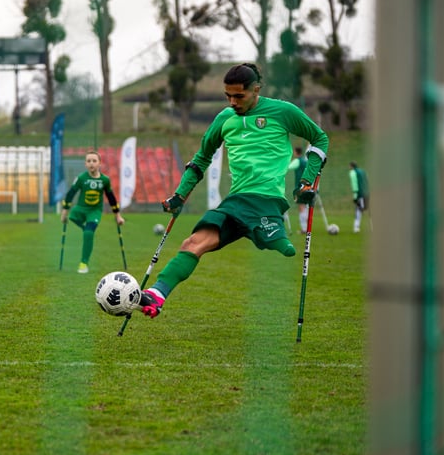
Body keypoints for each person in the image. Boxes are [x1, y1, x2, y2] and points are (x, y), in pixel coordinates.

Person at [137, 63, 329, 318]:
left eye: (239, 96)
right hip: (236, 201)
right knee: (192, 243)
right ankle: (156, 295)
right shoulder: (224, 118)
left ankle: (271, 231)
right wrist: (180, 194)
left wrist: (306, 181)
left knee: (280, 245)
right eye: (228, 96)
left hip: (266, 197)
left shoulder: (283, 111)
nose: (232, 101)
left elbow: (320, 138)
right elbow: (202, 157)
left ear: (256, 90)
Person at [60, 150, 125, 274]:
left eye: (94, 161)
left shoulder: (105, 180)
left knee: (88, 234)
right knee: (73, 216)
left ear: (99, 163)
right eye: (89, 161)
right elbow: (70, 194)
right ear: (85, 164)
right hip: (80, 208)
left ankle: (84, 263)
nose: (91, 163)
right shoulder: (81, 178)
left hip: (94, 211)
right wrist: (64, 212)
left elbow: (111, 198)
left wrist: (118, 216)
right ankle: (85, 228)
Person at [288, 146, 309, 234]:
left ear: (296, 152)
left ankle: (304, 229)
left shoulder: (297, 161)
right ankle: (307, 227)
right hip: (307, 186)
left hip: (300, 187)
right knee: (306, 206)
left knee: (301, 206)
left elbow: (289, 167)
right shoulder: (305, 161)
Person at [349, 161, 369, 233]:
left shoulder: (353, 173)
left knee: (359, 209)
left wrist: (355, 196)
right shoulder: (363, 171)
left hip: (359, 194)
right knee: (366, 209)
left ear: (351, 166)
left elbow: (354, 184)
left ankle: (356, 227)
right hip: (367, 193)